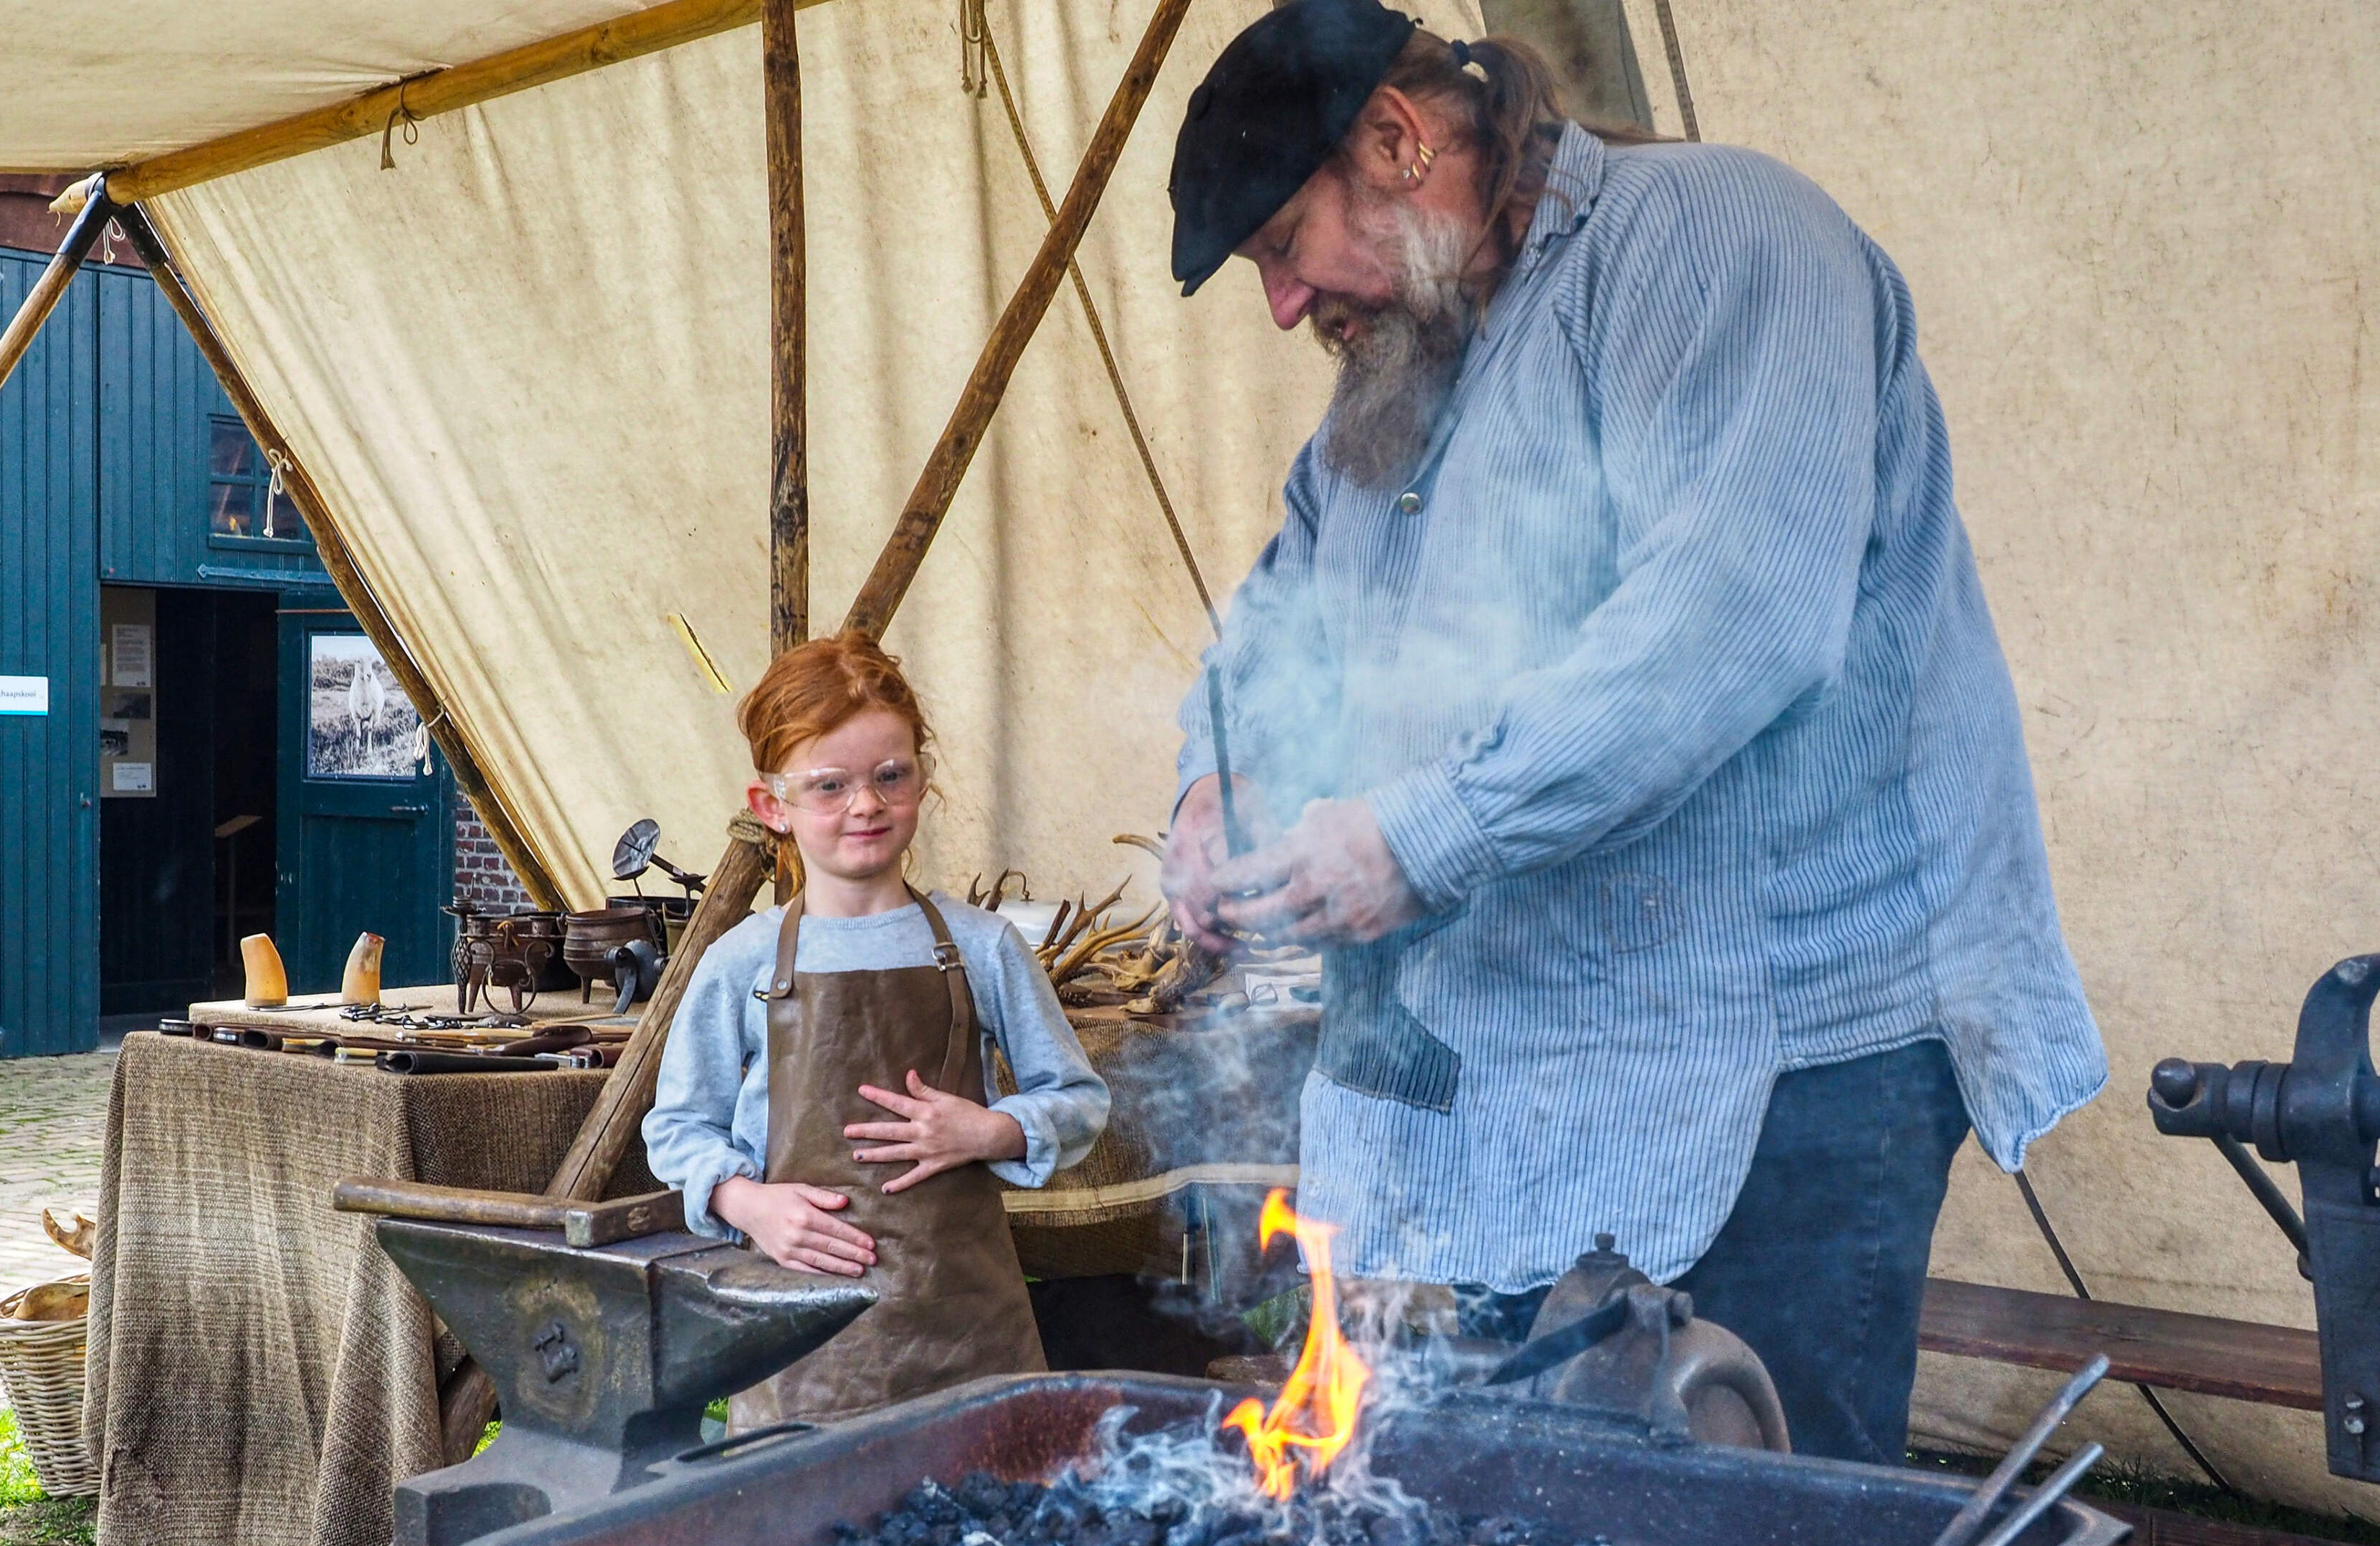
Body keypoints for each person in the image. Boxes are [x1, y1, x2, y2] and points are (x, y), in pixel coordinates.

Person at [1157, 0, 2107, 1464]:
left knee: (1756, 1496)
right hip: (1523, 1072)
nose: (1284, 306)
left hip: (1779, 1063)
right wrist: (1212, 787)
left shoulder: (1714, 239)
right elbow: (1269, 636)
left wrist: (1423, 835)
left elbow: (1728, 617)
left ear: (1402, 142)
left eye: (1284, 244)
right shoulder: (1393, 391)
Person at [646, 633, 1109, 1427]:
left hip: (967, 1340)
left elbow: (1079, 1099)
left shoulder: (984, 947)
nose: (866, 805)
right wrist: (746, 1202)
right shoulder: (743, 961)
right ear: (773, 808)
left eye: (889, 777)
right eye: (830, 786)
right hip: (799, 1350)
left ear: (921, 782)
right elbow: (677, 1126)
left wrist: (993, 1129)